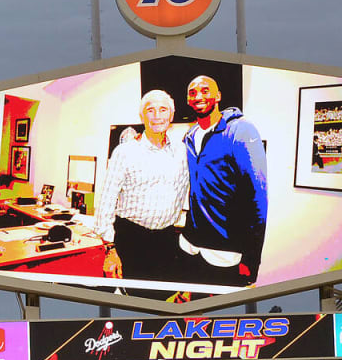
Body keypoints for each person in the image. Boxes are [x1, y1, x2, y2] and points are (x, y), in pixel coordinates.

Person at [179, 75, 268, 286]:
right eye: (192, 92)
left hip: (225, 252)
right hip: (191, 245)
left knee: (222, 314)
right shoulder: (190, 135)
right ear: (188, 100)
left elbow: (258, 197)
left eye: (205, 90)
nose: (198, 96)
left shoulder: (241, 131)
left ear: (218, 96)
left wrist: (252, 257)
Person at [93, 89, 189, 282]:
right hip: (131, 238)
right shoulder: (124, 152)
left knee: (161, 298)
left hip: (167, 239)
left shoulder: (182, 152)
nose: (157, 116)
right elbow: (106, 202)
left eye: (163, 110)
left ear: (171, 116)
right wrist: (110, 249)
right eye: (150, 110)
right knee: (133, 298)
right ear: (142, 115)